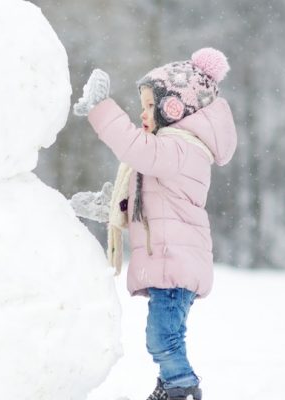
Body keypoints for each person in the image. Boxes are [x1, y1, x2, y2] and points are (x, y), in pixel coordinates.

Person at [71, 48, 237, 400]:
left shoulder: (182, 150)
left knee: (162, 337)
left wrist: (102, 109)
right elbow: (154, 203)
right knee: (166, 335)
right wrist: (112, 208)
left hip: (175, 263)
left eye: (149, 106)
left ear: (174, 108)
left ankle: (181, 386)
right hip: (170, 261)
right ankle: (171, 384)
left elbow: (136, 149)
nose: (143, 113)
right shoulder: (173, 150)